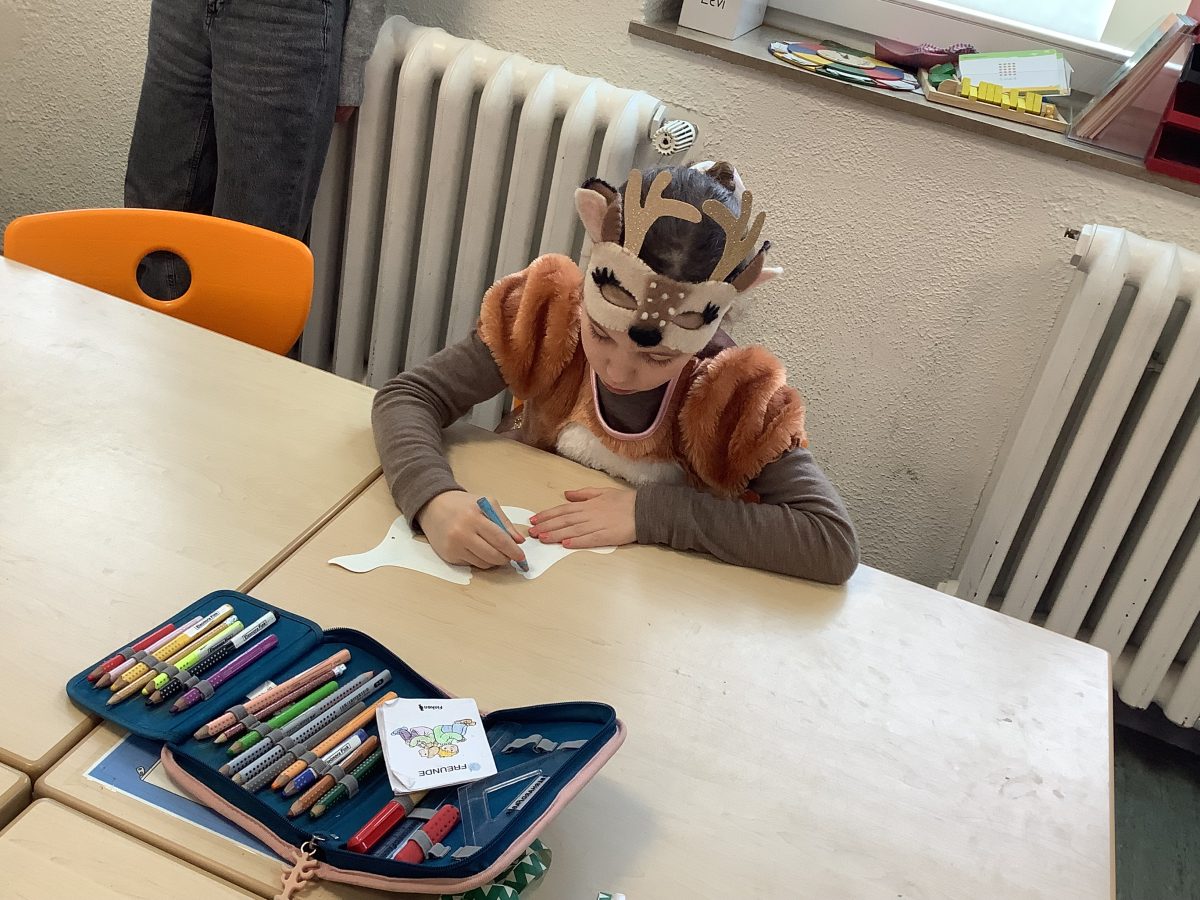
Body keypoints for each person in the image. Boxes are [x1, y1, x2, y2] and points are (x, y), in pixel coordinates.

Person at [371, 162, 859, 584]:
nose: (618, 372)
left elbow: (831, 542)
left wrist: (650, 513)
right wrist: (434, 498)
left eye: (659, 358)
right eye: (601, 334)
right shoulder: (550, 317)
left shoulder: (734, 394)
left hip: (644, 597)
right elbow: (408, 396)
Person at [124, 0, 384, 299]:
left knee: (247, 260)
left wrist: (353, 60)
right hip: (180, 11)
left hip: (282, 17)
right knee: (153, 232)